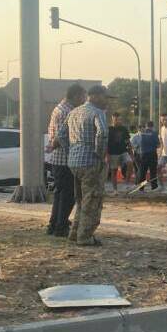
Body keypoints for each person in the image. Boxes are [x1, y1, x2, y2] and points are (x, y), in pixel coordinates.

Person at [56, 85, 111, 246]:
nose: (106, 101)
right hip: (91, 162)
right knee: (92, 200)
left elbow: (61, 135)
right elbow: (102, 133)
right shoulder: (97, 113)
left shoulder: (74, 112)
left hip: (74, 162)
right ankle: (85, 236)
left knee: (81, 200)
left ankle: (75, 233)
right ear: (96, 96)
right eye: (105, 97)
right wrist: (100, 155)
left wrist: (71, 151)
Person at [45, 84, 86, 237]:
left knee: (60, 194)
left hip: (58, 160)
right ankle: (60, 226)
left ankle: (54, 224)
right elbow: (63, 137)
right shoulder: (67, 112)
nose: (83, 100)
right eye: (83, 97)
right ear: (76, 95)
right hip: (65, 159)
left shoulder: (59, 108)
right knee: (67, 195)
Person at [106, 112, 131, 195]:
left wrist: (131, 153)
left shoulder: (124, 129)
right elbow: (106, 143)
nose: (118, 121)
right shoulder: (109, 129)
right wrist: (107, 155)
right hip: (113, 153)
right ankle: (115, 190)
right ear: (112, 119)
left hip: (123, 151)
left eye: (119, 119)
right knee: (114, 171)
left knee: (130, 163)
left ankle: (126, 184)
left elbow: (128, 141)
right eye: (116, 119)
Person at [134, 121, 160, 190]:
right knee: (153, 171)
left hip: (143, 154)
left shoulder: (142, 133)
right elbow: (158, 145)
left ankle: (141, 187)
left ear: (146, 126)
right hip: (152, 154)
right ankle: (154, 187)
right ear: (153, 126)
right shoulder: (154, 133)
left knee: (143, 172)